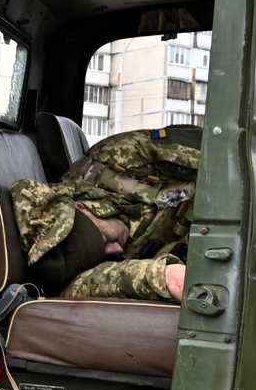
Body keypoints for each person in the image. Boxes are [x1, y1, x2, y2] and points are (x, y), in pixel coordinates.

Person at [12, 128, 199, 302]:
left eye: (105, 239)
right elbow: (105, 281)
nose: (117, 249)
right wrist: (164, 276)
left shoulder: (116, 159)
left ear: (84, 208)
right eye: (105, 255)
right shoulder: (76, 269)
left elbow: (219, 152)